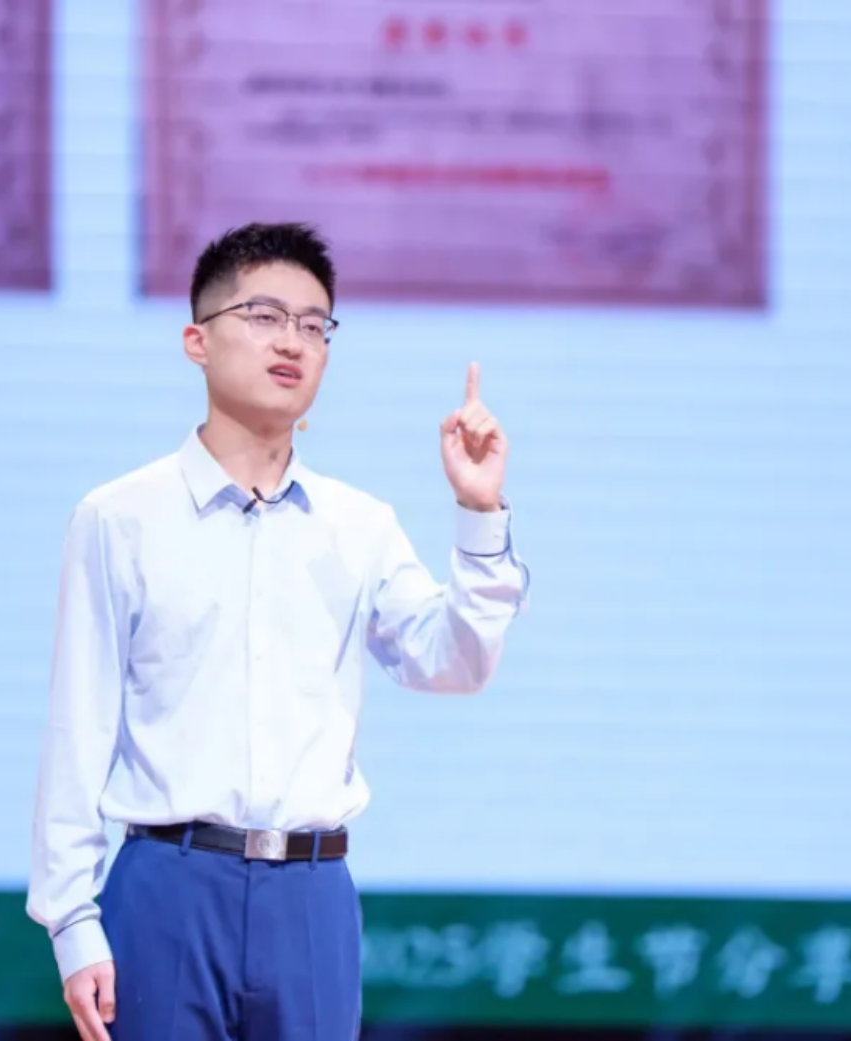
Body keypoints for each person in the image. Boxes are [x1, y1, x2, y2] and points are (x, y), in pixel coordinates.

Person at [26, 222, 530, 1041]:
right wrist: (71, 918)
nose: (292, 341)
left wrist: (479, 513)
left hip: (310, 890)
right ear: (196, 340)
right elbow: (77, 725)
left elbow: (455, 663)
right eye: (263, 316)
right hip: (167, 882)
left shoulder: (358, 524)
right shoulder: (120, 517)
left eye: (313, 324)